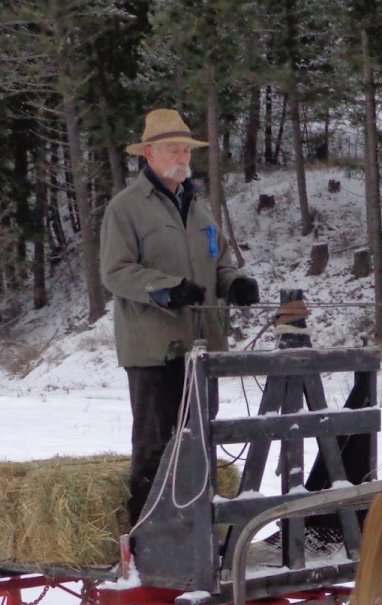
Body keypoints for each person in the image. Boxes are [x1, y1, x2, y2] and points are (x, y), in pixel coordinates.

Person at [100, 108, 260, 529]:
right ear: (149, 153)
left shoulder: (199, 208)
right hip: (155, 350)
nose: (183, 155)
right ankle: (147, 543)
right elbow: (115, 273)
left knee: (199, 445)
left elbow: (219, 263)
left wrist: (235, 283)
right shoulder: (125, 209)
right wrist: (166, 288)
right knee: (155, 449)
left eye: (186, 148)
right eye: (174, 147)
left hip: (201, 349)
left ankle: (195, 537)